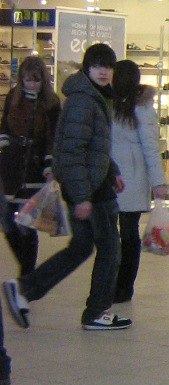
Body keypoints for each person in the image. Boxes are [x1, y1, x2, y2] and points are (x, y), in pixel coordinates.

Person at [3, 43, 129, 331]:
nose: (103, 71)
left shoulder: (94, 97)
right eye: (97, 66)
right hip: (91, 189)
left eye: (108, 66)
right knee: (110, 248)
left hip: (91, 183)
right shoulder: (84, 101)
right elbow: (71, 151)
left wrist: (112, 170)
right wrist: (83, 196)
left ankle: (24, 289)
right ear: (87, 68)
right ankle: (96, 312)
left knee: (82, 247)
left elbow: (93, 147)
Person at [110, 62, 168, 304]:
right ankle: (117, 285)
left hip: (130, 176)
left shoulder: (140, 108)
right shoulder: (111, 103)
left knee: (127, 232)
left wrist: (158, 182)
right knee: (118, 233)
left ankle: (123, 286)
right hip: (115, 175)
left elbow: (151, 147)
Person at [0, 56, 62, 275]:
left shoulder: (51, 103)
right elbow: (5, 127)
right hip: (11, 166)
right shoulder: (13, 97)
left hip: (35, 168)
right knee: (7, 220)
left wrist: (49, 166)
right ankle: (28, 272)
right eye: (28, 80)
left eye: (36, 80)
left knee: (26, 223)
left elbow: (53, 137)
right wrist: (5, 145)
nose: (32, 84)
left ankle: (27, 274)